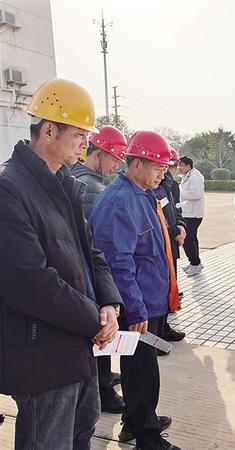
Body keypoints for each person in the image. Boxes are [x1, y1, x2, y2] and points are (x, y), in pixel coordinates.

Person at [0, 78, 123, 450]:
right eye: (80, 134)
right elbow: (29, 282)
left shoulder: (63, 183)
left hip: (78, 345)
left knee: (82, 431)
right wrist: (94, 321)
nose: (86, 144)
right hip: (43, 355)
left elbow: (91, 252)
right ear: (49, 131)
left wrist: (109, 304)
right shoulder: (10, 189)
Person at [90, 130, 181, 450]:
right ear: (137, 163)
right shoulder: (119, 202)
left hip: (149, 301)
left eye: (165, 169)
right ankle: (147, 437)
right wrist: (137, 309)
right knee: (142, 372)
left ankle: (136, 421)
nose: (163, 174)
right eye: (158, 168)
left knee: (139, 366)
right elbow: (117, 264)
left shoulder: (141, 194)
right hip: (136, 306)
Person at [72, 124, 127, 414]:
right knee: (101, 334)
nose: (116, 166)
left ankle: (103, 381)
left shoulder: (79, 177)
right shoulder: (91, 188)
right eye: (114, 159)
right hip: (93, 277)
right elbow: (95, 243)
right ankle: (104, 391)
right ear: (99, 154)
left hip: (88, 276)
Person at [154, 149, 187, 344]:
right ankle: (159, 331)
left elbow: (176, 209)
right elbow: (160, 218)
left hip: (172, 241)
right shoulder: (155, 186)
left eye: (173, 165)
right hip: (164, 241)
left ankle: (164, 327)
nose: (171, 169)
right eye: (169, 165)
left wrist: (181, 226)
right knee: (162, 286)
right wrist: (174, 231)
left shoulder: (170, 185)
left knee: (169, 284)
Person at [178, 156, 205, 276]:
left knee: (187, 239)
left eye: (181, 165)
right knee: (192, 238)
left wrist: (179, 193)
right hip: (189, 212)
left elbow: (196, 194)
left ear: (188, 166)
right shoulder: (188, 176)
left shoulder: (195, 177)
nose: (179, 168)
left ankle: (195, 263)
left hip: (192, 214)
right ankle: (195, 262)